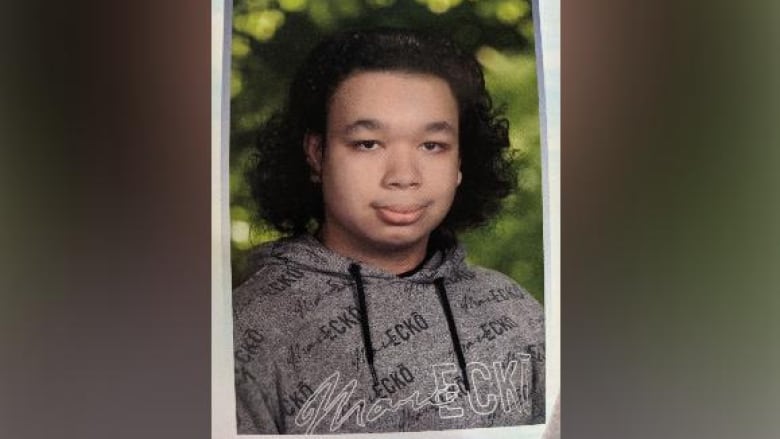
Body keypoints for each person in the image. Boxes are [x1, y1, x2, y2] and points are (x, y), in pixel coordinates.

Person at [233, 27, 545, 435]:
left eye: (432, 145)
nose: (403, 176)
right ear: (317, 153)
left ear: (460, 161)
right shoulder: (247, 331)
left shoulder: (514, 311)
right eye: (368, 144)